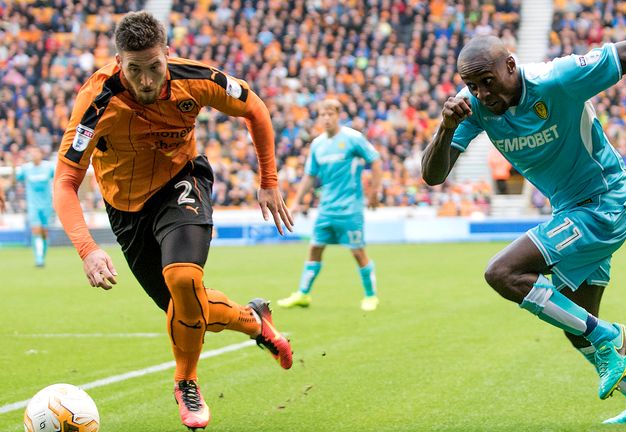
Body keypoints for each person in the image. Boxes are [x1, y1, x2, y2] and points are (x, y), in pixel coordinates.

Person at [422, 35, 626, 424]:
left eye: (487, 82)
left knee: (503, 273)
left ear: (510, 66)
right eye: (471, 85)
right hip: (572, 210)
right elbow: (433, 175)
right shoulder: (475, 108)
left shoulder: (555, 79)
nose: (481, 92)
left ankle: (611, 337)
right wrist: (445, 128)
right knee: (575, 322)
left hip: (603, 202)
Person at [52, 12, 294, 430]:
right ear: (118, 61)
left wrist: (268, 180)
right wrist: (88, 250)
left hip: (182, 183)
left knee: (183, 279)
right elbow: (65, 181)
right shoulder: (95, 101)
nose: (145, 81)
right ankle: (255, 321)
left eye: (154, 67)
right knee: (187, 311)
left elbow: (255, 108)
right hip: (125, 212)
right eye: (134, 70)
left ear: (167, 53)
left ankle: (185, 382)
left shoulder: (198, 79)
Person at [277, 99, 383, 312]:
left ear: (338, 115)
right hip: (326, 208)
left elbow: (376, 160)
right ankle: (303, 294)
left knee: (357, 252)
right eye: (322, 115)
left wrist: (374, 192)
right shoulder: (317, 144)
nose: (326, 118)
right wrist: (296, 202)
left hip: (350, 208)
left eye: (330, 114)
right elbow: (309, 176)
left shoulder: (353, 139)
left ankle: (371, 296)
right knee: (314, 248)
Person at [14, 146, 55, 267]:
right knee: (36, 230)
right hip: (33, 205)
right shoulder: (25, 168)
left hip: (47, 205)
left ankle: (42, 255)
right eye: (31, 154)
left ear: (41, 154)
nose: (34, 156)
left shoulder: (49, 167)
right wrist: (13, 166)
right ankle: (39, 259)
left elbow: (59, 178)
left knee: (44, 232)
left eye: (36, 153)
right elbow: (15, 179)